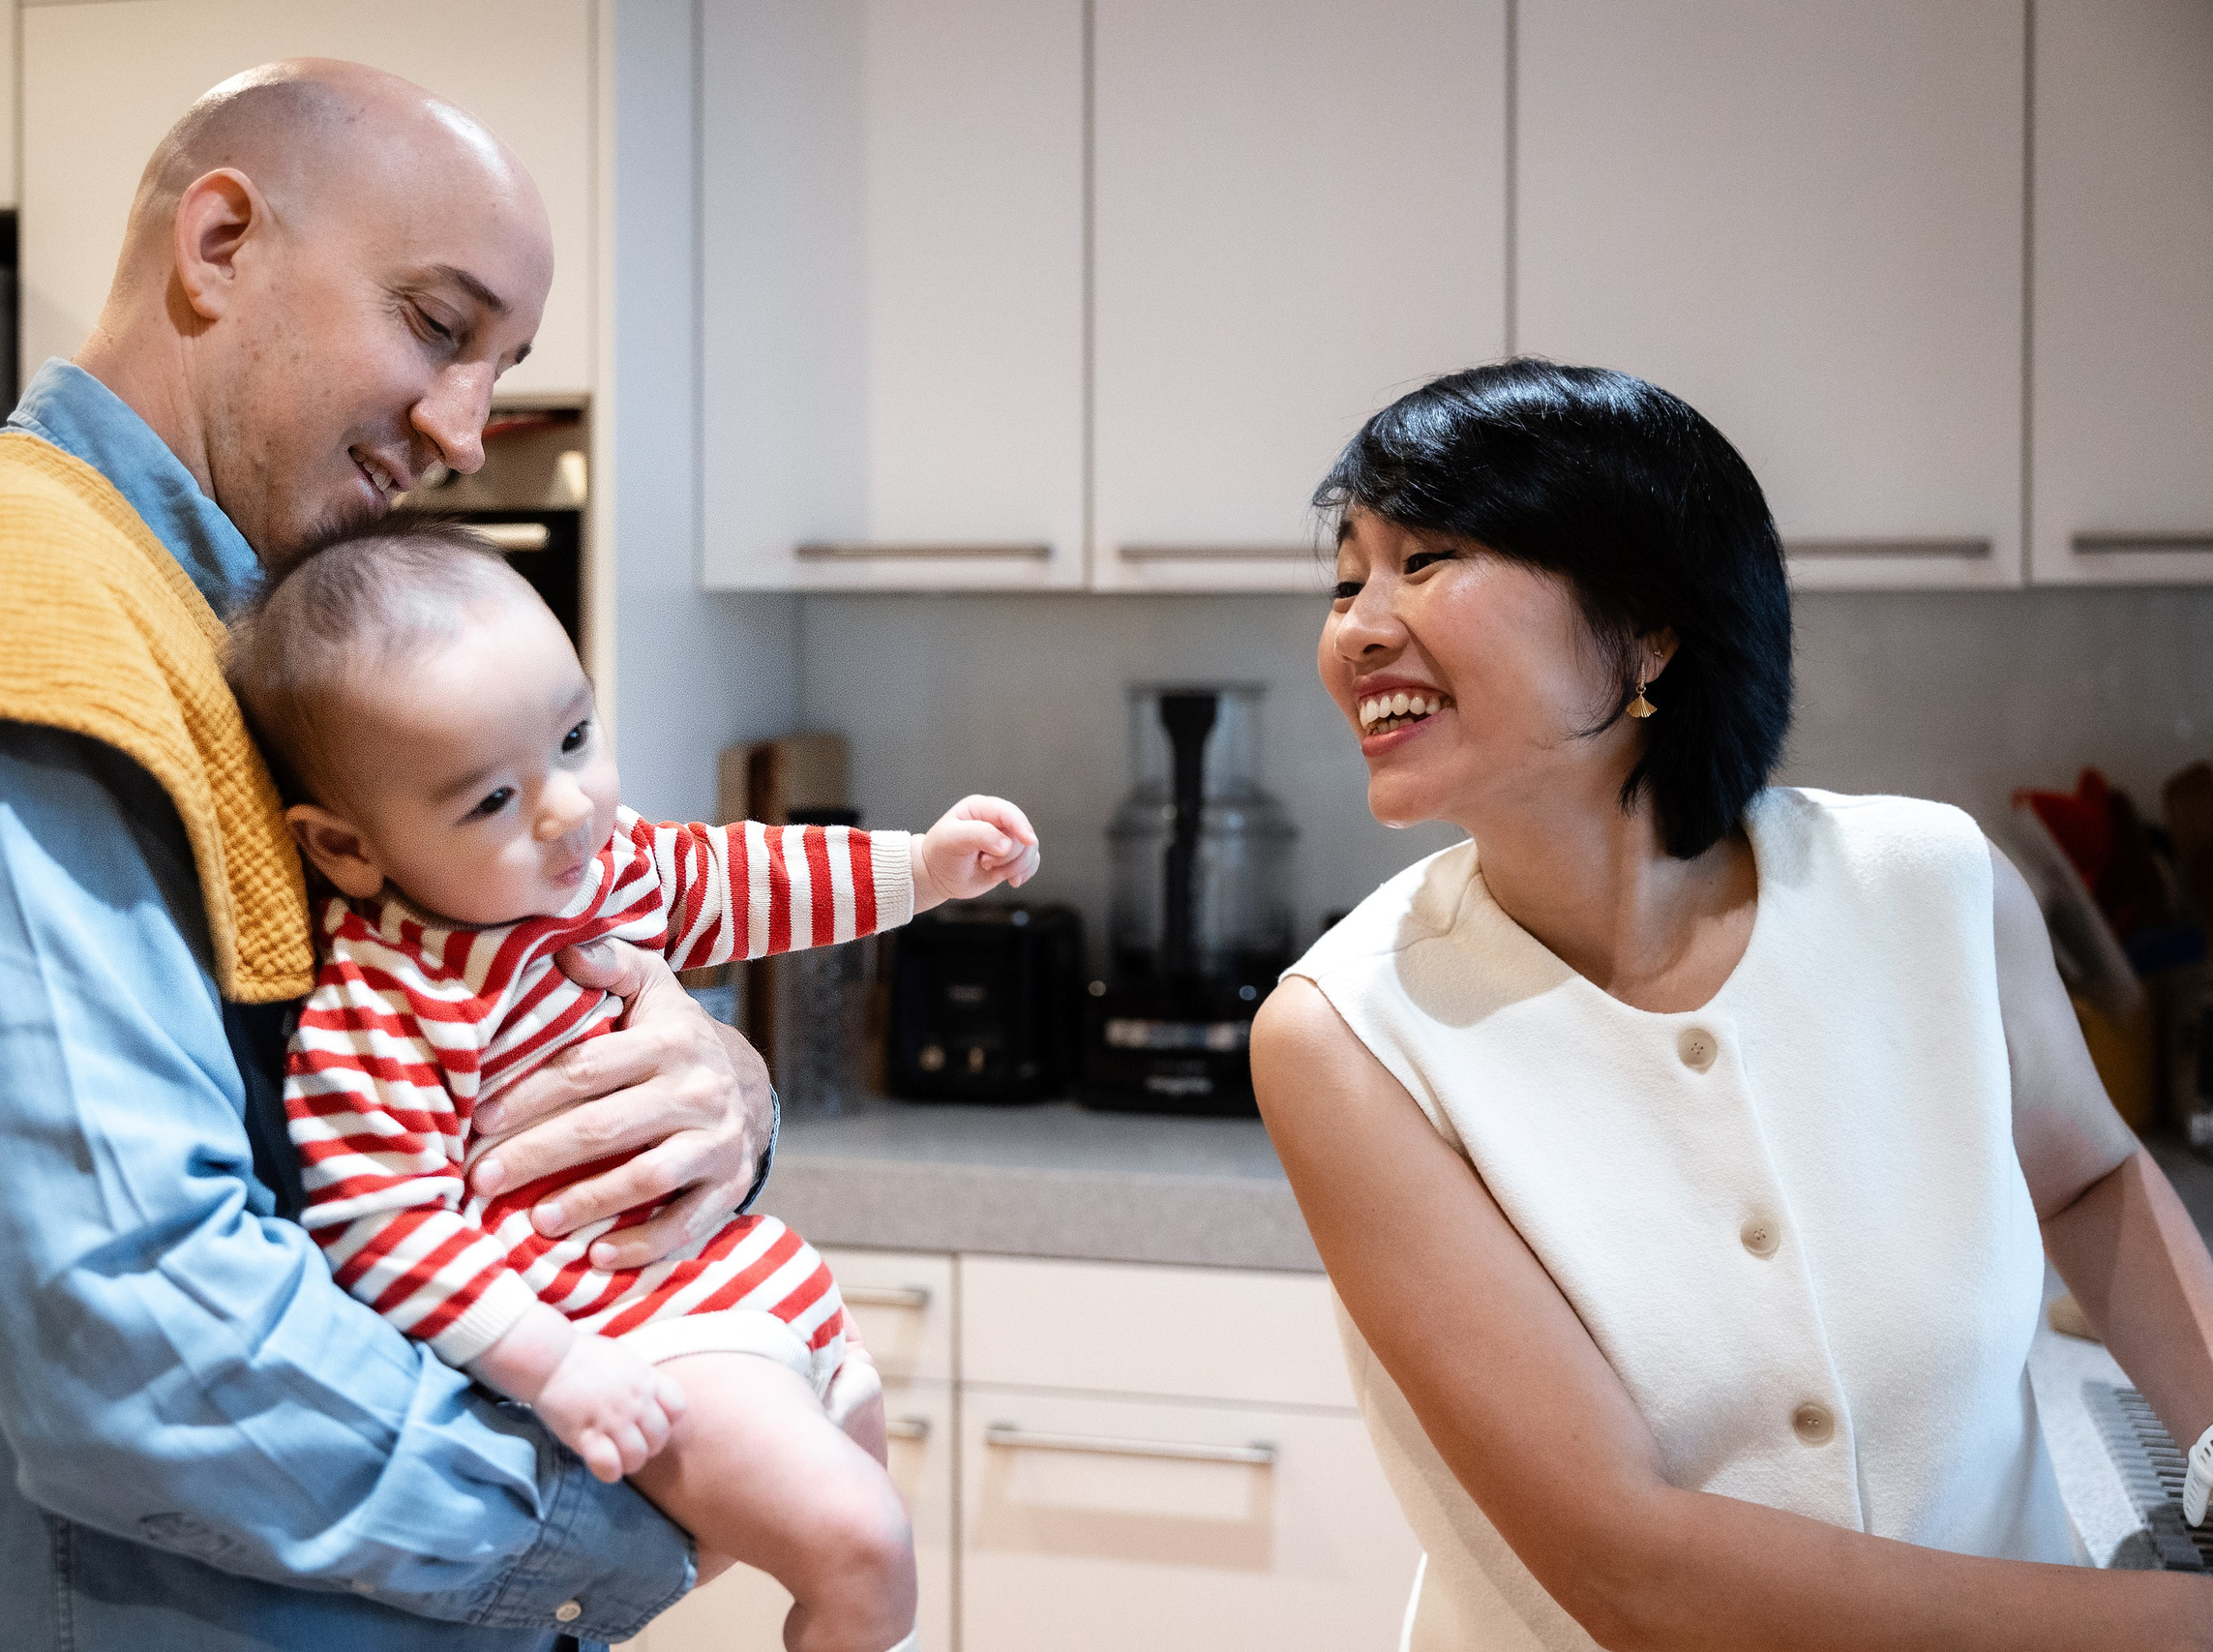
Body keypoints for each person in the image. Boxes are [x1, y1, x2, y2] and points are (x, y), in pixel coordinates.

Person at [0, 61, 785, 1651]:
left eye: (498, 370)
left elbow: (467, 1029)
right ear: (217, 242)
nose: (460, 429)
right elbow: (140, 1335)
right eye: (438, 327)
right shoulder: (7, 611)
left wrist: (713, 1093)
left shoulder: (249, 638)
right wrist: (618, 1526)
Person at [1251, 358, 2213, 1651]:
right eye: (1346, 573)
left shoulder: (1931, 887)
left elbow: (2089, 1176)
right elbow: (1631, 1563)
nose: (1358, 625)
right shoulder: (1351, 1035)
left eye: (1425, 557)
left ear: (1649, 628)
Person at [229, 518, 1041, 1652]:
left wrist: (924, 868)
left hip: (739, 1295)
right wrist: (555, 1366)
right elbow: (379, 1222)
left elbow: (745, 874)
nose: (566, 809)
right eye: (490, 802)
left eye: (573, 737)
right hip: (623, 1330)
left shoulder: (600, 869)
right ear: (345, 849)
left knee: (863, 1534)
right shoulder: (392, 995)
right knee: (867, 1553)